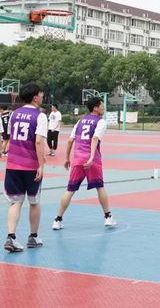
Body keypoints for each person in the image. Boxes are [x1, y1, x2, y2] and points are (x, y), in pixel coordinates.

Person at [52, 96, 116, 230]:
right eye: (102, 105)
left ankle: (57, 220)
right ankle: (108, 217)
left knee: (70, 190)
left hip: (78, 159)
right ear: (96, 108)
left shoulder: (80, 121)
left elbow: (70, 140)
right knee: (100, 187)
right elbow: (95, 138)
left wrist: (67, 158)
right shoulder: (100, 122)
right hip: (92, 160)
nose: (103, 107)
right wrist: (91, 157)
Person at [2, 83, 48, 253]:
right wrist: (41, 165)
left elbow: (10, 137)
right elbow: (38, 141)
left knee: (16, 202)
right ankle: (33, 236)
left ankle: (11, 237)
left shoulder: (14, 114)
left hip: (13, 164)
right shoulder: (40, 116)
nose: (42, 97)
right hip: (30, 165)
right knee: (34, 202)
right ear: (35, 97)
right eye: (41, 94)